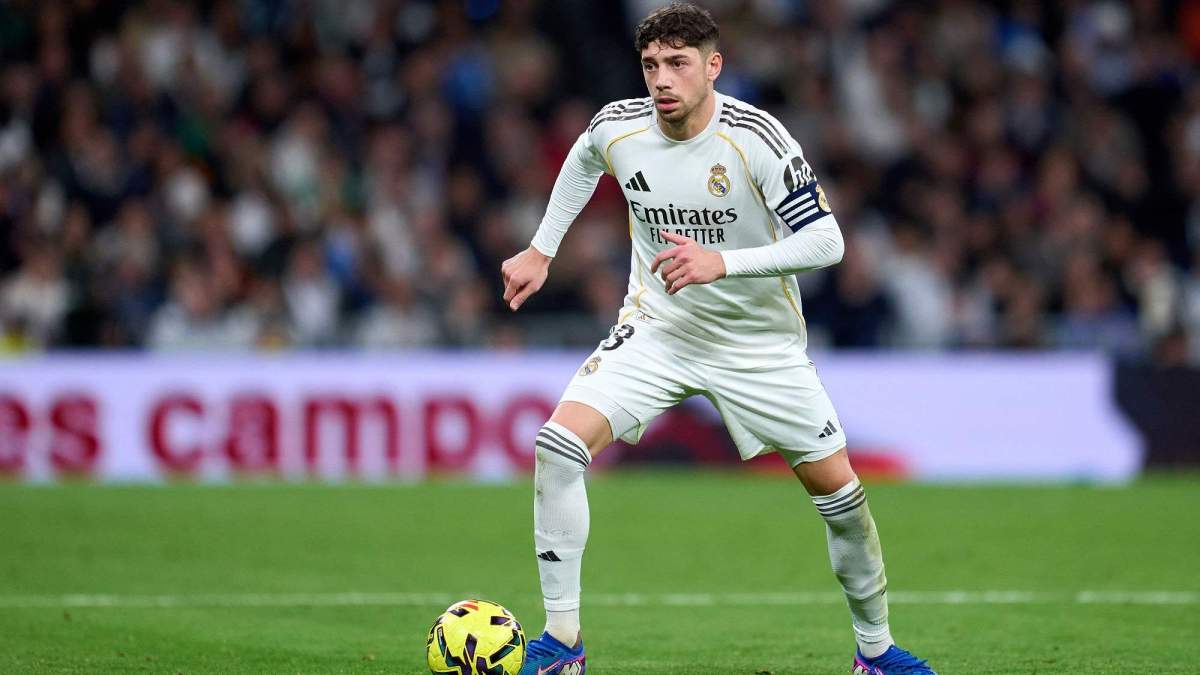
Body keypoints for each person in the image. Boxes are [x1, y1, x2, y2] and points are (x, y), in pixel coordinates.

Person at [501, 4, 936, 674]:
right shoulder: (619, 127)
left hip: (758, 347)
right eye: (651, 65)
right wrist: (541, 249)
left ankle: (875, 653)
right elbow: (584, 160)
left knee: (842, 499)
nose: (661, 79)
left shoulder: (756, 138)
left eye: (678, 63)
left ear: (713, 67)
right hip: (658, 329)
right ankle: (562, 644)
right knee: (557, 445)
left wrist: (720, 262)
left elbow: (827, 240)